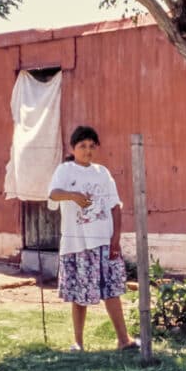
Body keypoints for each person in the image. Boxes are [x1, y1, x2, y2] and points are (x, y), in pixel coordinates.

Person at [47, 125, 139, 352]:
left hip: (104, 242)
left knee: (111, 292)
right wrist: (73, 196)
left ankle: (123, 339)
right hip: (78, 243)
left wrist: (115, 239)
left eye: (91, 146)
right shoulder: (65, 170)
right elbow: (53, 194)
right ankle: (78, 342)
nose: (87, 151)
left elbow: (115, 207)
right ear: (73, 148)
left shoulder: (102, 173)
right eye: (82, 146)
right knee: (79, 295)